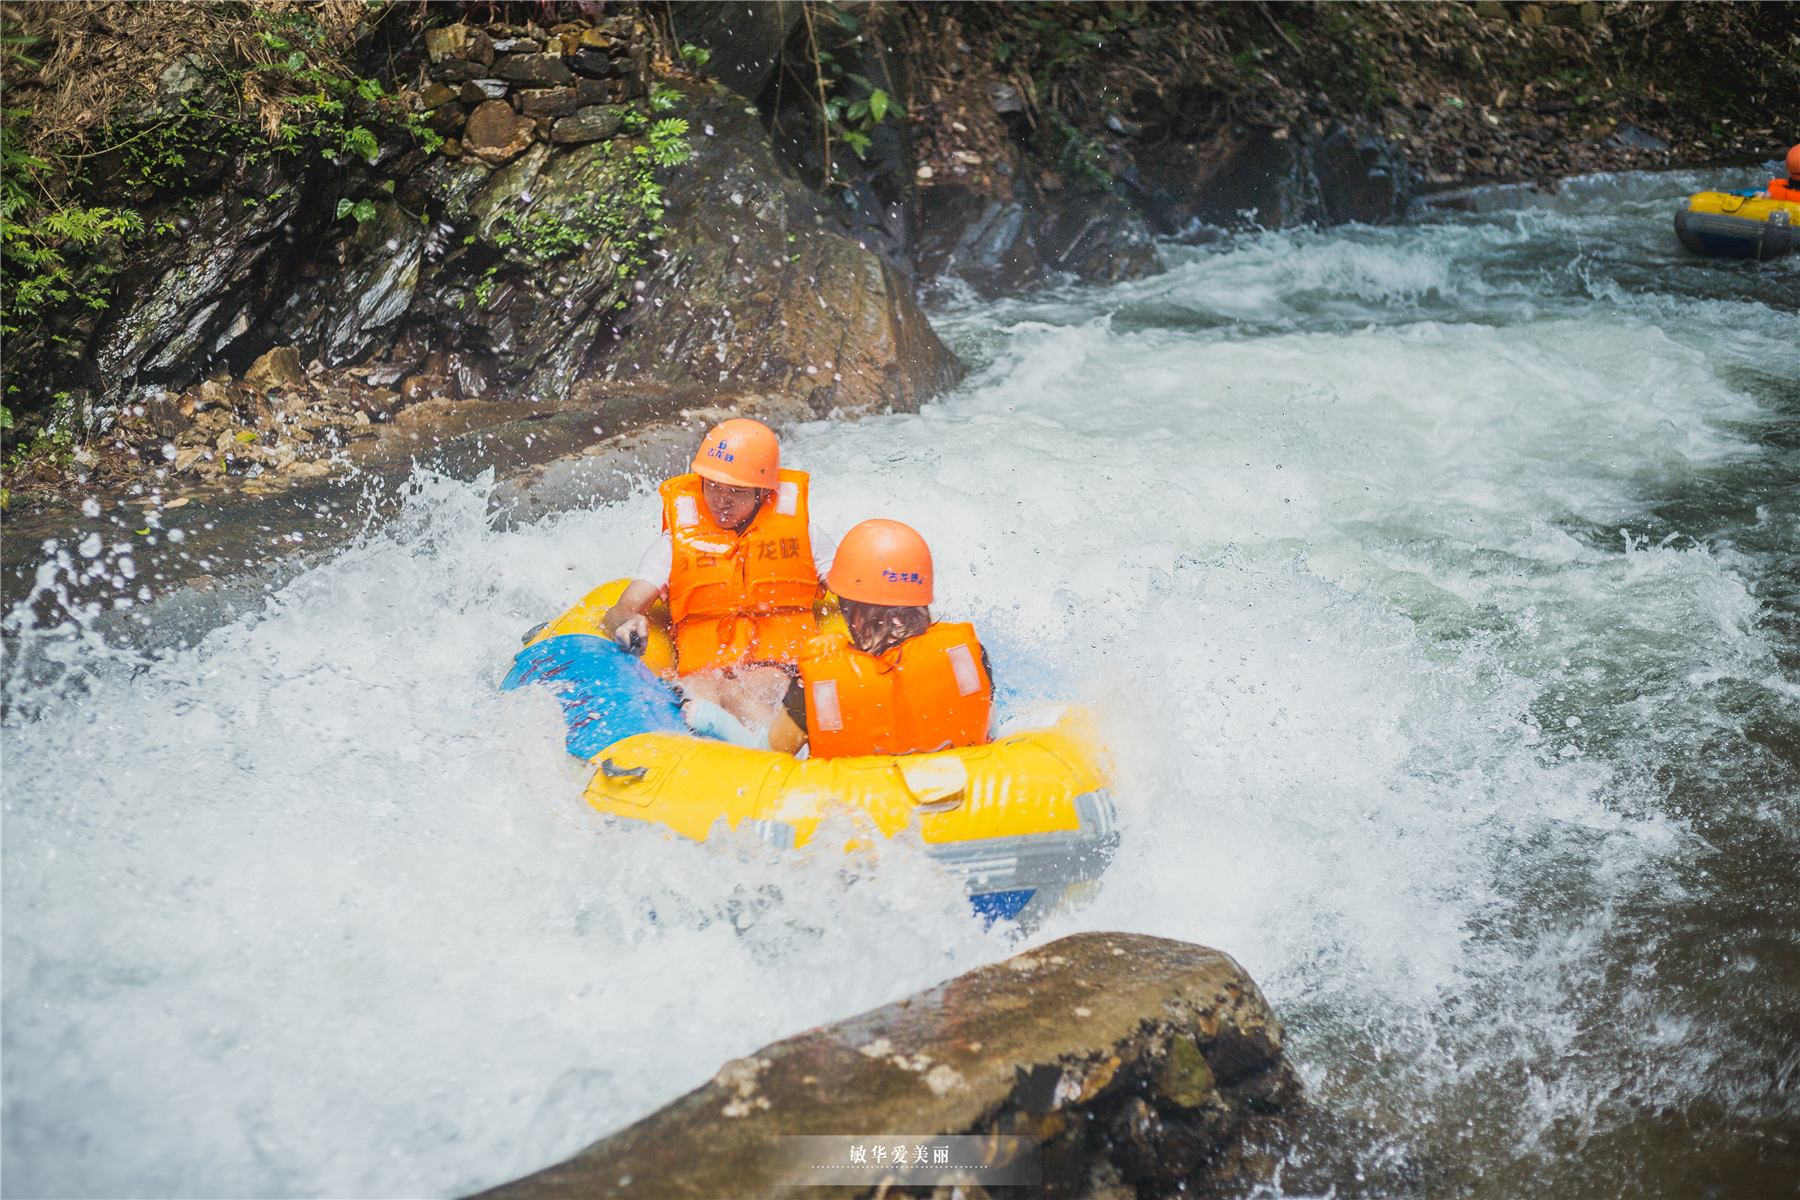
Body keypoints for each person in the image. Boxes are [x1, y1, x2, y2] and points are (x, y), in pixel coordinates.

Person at [602, 418, 835, 729]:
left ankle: (774, 757)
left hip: (777, 667)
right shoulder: (673, 546)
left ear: (763, 492)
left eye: (737, 491)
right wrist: (626, 622)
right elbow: (619, 610)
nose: (721, 500)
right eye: (712, 485)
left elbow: (855, 593)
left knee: (746, 690)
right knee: (702, 691)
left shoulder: (806, 537)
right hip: (702, 674)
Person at [766, 519, 993, 759]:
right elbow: (984, 722)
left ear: (848, 608)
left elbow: (769, 758)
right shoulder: (969, 655)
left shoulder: (817, 682)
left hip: (852, 795)